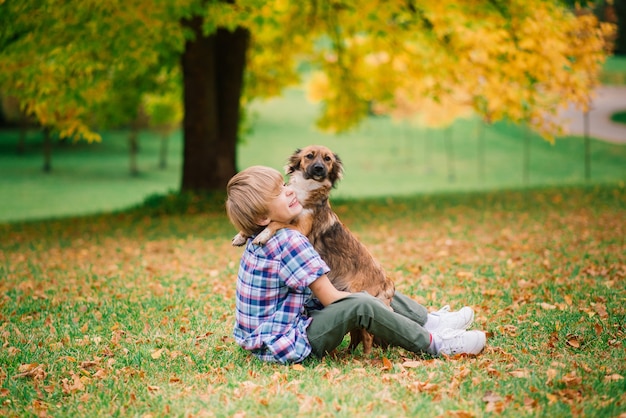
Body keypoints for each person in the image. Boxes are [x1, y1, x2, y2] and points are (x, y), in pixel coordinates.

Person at [226, 165, 486, 364]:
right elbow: (332, 300)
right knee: (361, 302)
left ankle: (428, 320)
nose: (290, 190)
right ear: (262, 217)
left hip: (265, 334)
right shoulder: (290, 240)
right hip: (285, 342)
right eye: (279, 193)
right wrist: (365, 299)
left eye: (284, 185)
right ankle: (434, 342)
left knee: (368, 283)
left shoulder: (257, 236)